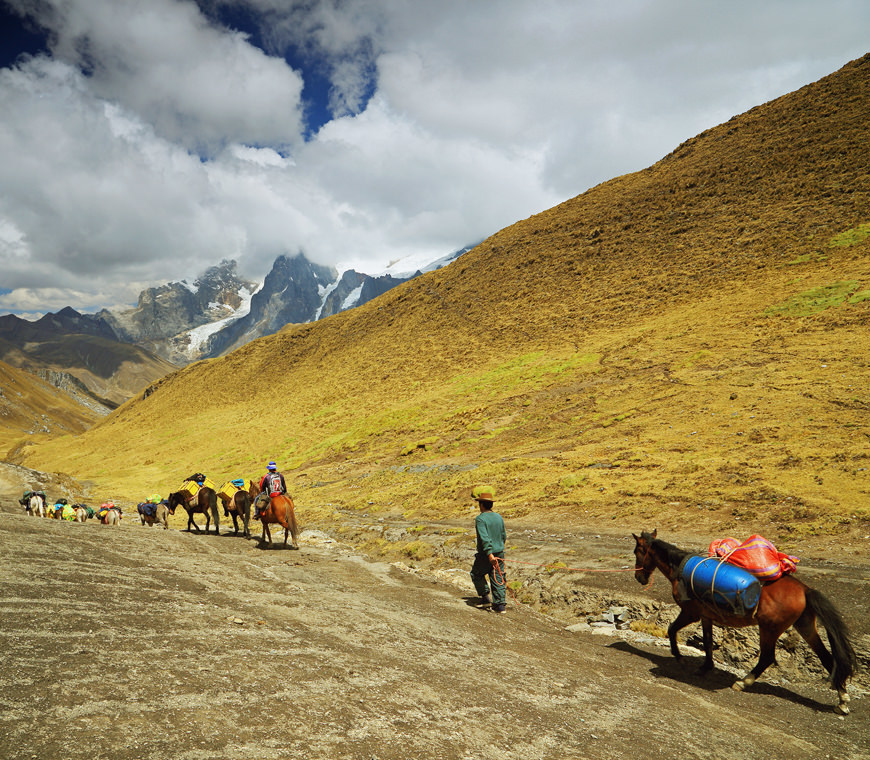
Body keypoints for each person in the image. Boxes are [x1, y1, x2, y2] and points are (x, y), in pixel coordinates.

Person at [469, 484, 507, 614]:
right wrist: (498, 550)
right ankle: (500, 606)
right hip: (500, 553)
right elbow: (503, 536)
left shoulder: (480, 519)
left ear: (482, 505)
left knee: (476, 574)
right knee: (498, 577)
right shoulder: (499, 517)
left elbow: (484, 538)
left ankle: (485, 598)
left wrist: (490, 554)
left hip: (486, 555)